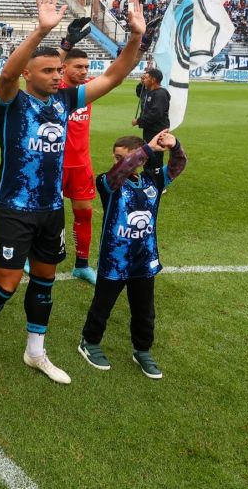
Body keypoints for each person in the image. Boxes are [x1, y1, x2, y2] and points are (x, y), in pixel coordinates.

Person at [0, 0, 145, 383]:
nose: (56, 76)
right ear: (29, 74)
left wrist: (135, 37)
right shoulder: (11, 101)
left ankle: (36, 351)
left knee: (45, 281)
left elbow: (113, 76)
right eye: (47, 71)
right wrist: (41, 30)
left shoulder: (65, 101)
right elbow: (6, 75)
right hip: (14, 207)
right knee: (7, 283)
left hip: (50, 209)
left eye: (58, 70)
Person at [78, 130, 187, 379]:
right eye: (117, 157)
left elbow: (178, 165)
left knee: (144, 310)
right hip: (114, 259)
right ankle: (89, 341)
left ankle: (142, 350)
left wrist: (175, 146)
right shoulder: (108, 182)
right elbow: (120, 172)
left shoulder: (153, 180)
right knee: (102, 305)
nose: (120, 162)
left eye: (124, 157)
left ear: (141, 159)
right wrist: (146, 150)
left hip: (144, 259)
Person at [58, 17, 100, 285]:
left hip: (81, 164)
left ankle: (82, 265)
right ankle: (28, 256)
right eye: (79, 67)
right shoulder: (53, 89)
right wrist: (66, 44)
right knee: (44, 215)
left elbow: (117, 73)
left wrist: (138, 41)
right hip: (55, 163)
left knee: (84, 213)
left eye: (87, 67)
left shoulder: (88, 89)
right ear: (63, 68)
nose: (85, 71)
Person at [133, 68, 170, 178]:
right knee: (148, 154)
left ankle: (157, 181)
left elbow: (156, 114)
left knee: (155, 157)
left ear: (153, 80)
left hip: (157, 130)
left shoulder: (160, 94)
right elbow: (139, 93)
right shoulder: (149, 91)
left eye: (147, 77)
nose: (144, 79)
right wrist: (141, 83)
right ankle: (148, 178)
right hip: (149, 129)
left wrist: (138, 121)